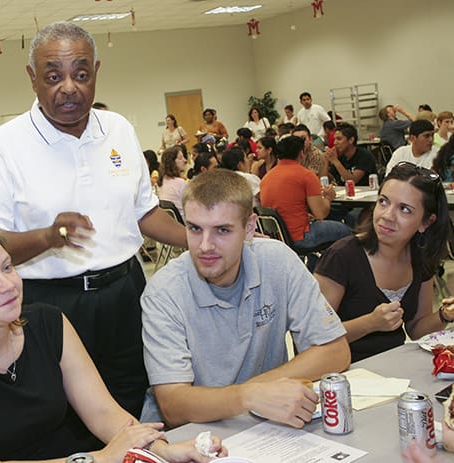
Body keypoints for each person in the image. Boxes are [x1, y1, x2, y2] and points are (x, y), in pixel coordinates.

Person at [0, 21, 187, 418]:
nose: (69, 87)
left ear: (96, 73)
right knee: (63, 411)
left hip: (125, 290)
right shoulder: (4, 146)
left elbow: (145, 213)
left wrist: (200, 239)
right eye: (53, 76)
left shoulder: (118, 129)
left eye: (81, 75)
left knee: (133, 397)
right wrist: (48, 237)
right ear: (33, 78)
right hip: (49, 302)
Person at [0, 228, 225, 463]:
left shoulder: (48, 323)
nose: (7, 285)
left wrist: (162, 451)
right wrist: (95, 459)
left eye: (7, 268)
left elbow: (103, 412)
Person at [140, 169, 350, 427]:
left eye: (222, 230)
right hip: (191, 434)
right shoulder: (164, 291)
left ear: (249, 228)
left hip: (264, 424)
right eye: (195, 228)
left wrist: (253, 394)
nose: (205, 246)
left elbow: (335, 351)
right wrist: (248, 396)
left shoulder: (277, 261)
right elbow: (173, 405)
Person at [314, 162, 453, 362]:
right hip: (343, 372)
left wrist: (445, 315)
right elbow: (315, 336)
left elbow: (416, 329)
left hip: (392, 369)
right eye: (383, 201)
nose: (387, 216)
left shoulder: (420, 258)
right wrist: (370, 323)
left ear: (426, 222)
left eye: (404, 209)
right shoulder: (342, 257)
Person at [260, 136, 352, 251]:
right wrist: (328, 198)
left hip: (277, 236)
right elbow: (321, 214)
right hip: (301, 235)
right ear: (301, 154)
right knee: (347, 231)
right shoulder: (306, 175)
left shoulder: (266, 177)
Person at [157, 146, 187, 217]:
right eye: (180, 158)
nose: (185, 160)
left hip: (168, 221)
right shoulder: (181, 182)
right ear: (172, 162)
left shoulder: (161, 181)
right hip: (183, 221)